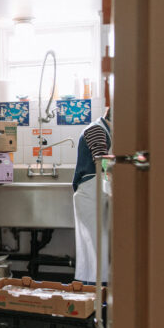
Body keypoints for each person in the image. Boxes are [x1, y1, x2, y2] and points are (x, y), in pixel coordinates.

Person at [71, 108, 112, 284]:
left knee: (99, 251)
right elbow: (102, 161)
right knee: (99, 250)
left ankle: (96, 296)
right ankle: (96, 297)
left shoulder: (106, 130)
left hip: (97, 192)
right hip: (90, 194)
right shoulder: (96, 130)